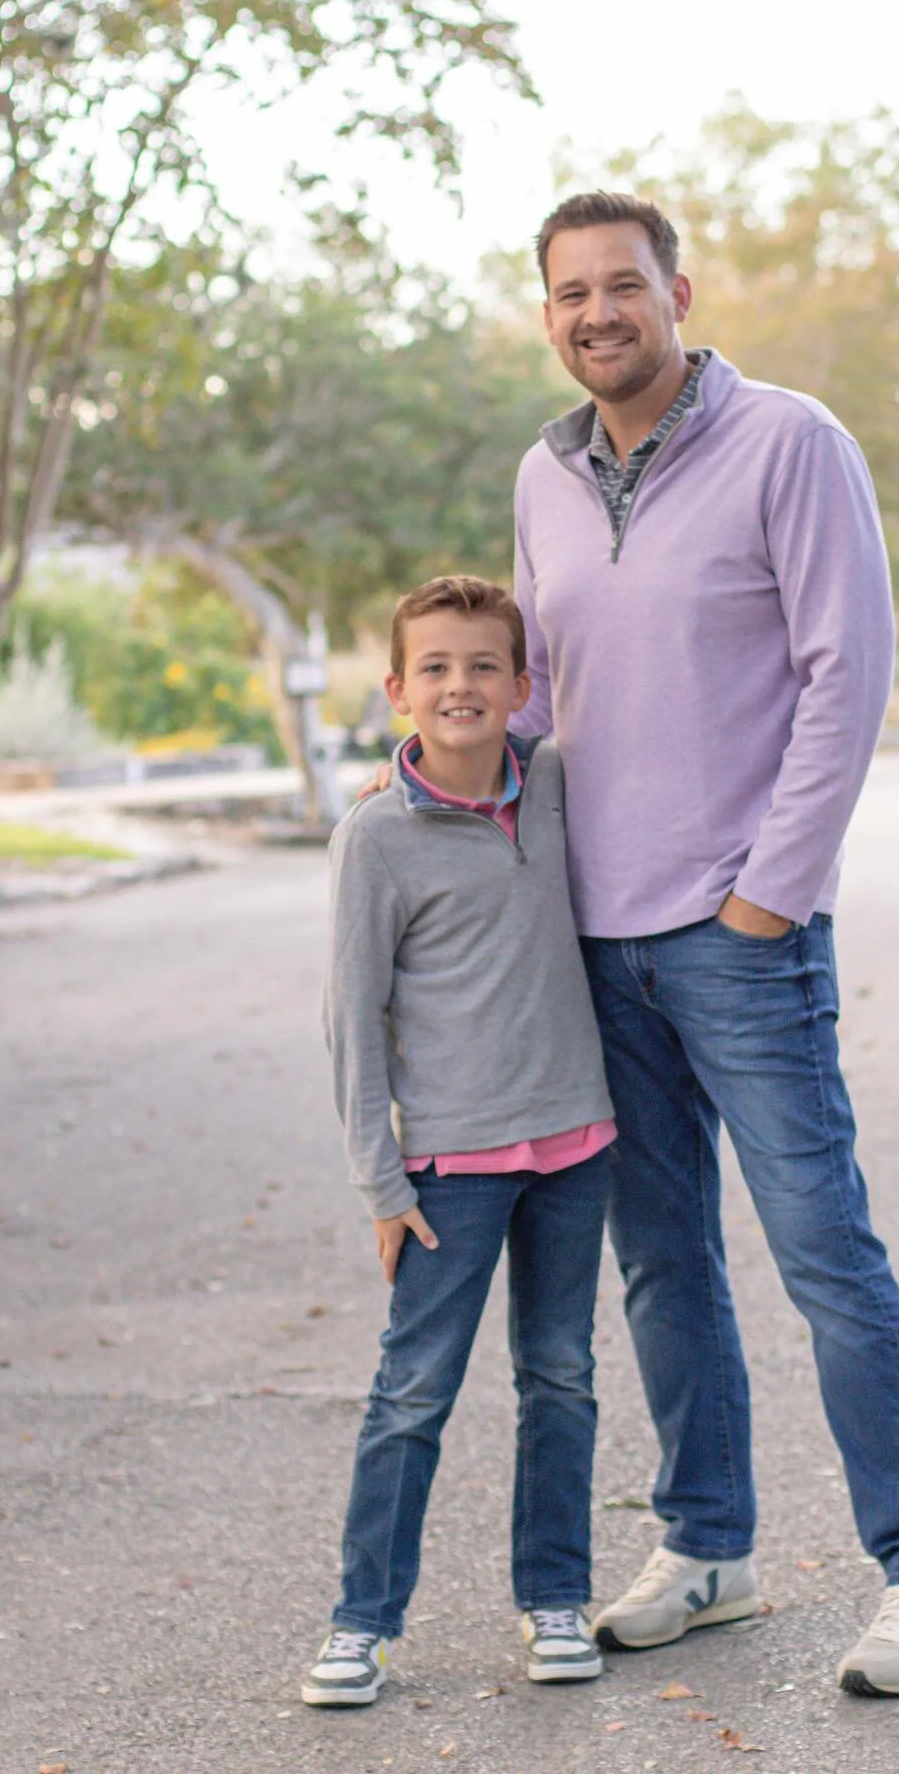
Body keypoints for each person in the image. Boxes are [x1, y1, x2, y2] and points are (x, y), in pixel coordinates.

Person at [515, 191, 899, 1698]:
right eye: (572, 293)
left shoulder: (792, 442)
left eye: (623, 285)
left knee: (823, 1252)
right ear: (549, 316)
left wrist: (771, 893)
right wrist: (442, 789)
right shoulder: (541, 474)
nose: (599, 313)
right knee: (661, 1262)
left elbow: (850, 674)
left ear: (679, 294)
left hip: (741, 935)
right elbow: (542, 690)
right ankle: (708, 1547)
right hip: (596, 940)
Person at [303, 575, 617, 1707]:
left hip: (576, 1145)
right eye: (434, 667)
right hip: (448, 1171)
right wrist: (380, 1183)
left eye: (484, 666)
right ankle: (362, 1624)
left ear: (522, 686)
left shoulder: (559, 786)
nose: (460, 686)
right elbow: (353, 1018)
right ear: (398, 690)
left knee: (562, 1378)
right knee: (413, 1392)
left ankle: (555, 1600)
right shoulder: (376, 837)